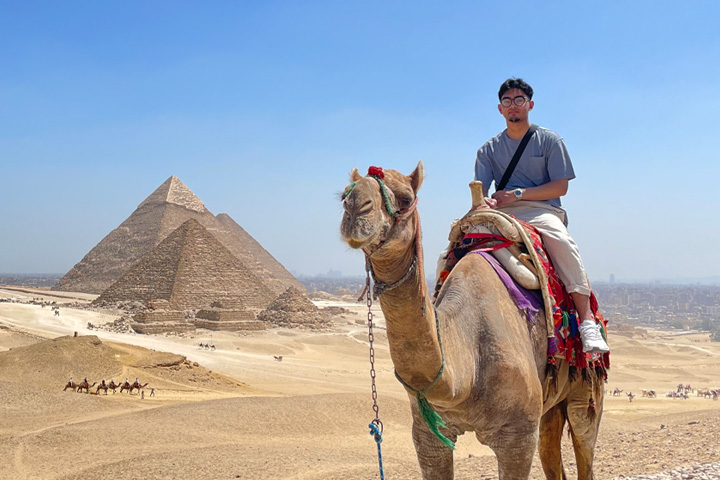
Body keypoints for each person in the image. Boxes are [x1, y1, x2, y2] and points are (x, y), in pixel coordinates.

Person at [474, 77, 609, 354]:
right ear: (500, 109)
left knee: (562, 242)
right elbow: (481, 190)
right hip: (501, 213)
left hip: (540, 210)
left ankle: (586, 322)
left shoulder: (549, 140)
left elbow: (561, 186)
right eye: (507, 101)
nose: (514, 106)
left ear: (530, 105)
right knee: (454, 247)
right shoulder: (487, 150)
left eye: (519, 100)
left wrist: (517, 194)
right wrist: (483, 202)